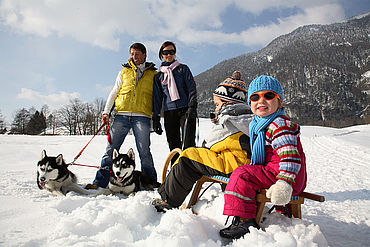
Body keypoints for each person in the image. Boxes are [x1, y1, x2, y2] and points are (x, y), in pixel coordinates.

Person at [219, 75, 307, 239]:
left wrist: (284, 183)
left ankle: (245, 220)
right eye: (255, 97)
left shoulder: (279, 125)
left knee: (242, 175)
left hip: (285, 178)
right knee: (246, 171)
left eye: (268, 96)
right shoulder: (261, 124)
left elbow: (290, 157)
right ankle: (279, 211)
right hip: (277, 173)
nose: (261, 101)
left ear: (279, 100)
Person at [152, 77, 253, 211]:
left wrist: (219, 124)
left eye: (217, 104)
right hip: (240, 162)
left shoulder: (229, 120)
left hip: (233, 165)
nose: (216, 108)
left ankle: (167, 200)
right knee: (195, 156)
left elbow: (209, 144)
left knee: (188, 157)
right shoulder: (244, 117)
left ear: (227, 103)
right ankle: (166, 192)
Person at [86, 43, 158, 189]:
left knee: (144, 151)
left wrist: (156, 116)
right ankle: (100, 183)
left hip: (142, 116)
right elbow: (114, 92)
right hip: (121, 115)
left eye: (137, 54)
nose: (134, 56)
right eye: (132, 53)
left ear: (144, 55)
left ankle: (150, 183)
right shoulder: (124, 72)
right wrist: (106, 112)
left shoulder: (153, 74)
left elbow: (157, 97)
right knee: (110, 150)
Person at [152, 41, 197, 155]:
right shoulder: (158, 76)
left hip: (186, 109)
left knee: (188, 144)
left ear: (175, 53)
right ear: (161, 55)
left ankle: (190, 171)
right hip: (169, 112)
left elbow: (191, 87)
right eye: (165, 52)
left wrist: (192, 105)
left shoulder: (183, 69)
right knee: (173, 145)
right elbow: (157, 98)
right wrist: (156, 117)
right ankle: (176, 170)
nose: (169, 55)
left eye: (171, 52)